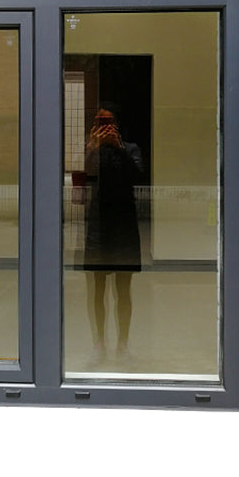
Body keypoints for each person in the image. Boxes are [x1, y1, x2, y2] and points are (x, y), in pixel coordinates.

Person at [82, 106, 143, 366]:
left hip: (124, 225)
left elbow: (138, 176)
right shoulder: (92, 150)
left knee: (123, 290)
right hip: (99, 226)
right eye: (100, 121)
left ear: (117, 124)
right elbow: (85, 176)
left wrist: (118, 147)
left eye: (108, 121)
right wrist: (92, 148)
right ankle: (99, 343)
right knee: (97, 290)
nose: (105, 126)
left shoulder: (130, 148)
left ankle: (123, 344)